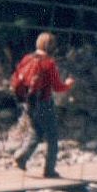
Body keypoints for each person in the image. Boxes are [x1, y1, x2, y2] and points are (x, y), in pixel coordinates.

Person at [12, 32, 75, 179]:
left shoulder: (27, 58)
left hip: (28, 102)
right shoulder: (49, 63)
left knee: (36, 132)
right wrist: (68, 84)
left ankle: (21, 158)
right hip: (44, 103)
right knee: (52, 136)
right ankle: (49, 170)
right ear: (51, 46)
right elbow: (58, 87)